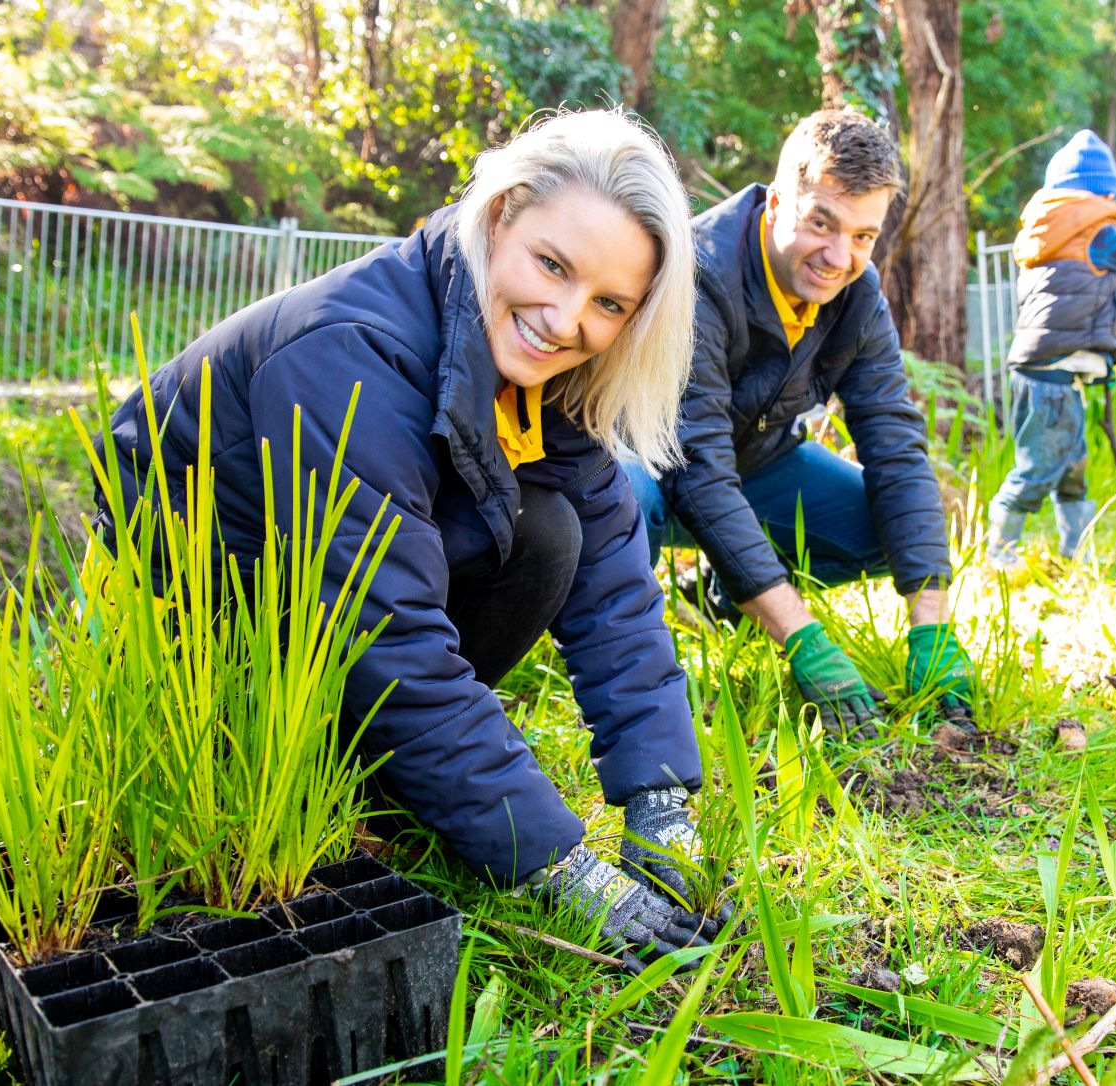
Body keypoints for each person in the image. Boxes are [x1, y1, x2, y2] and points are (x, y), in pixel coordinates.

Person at [97, 110, 721, 971]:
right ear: (500, 217)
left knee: (551, 533)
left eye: (608, 303)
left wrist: (658, 798)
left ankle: (390, 791)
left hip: (308, 592)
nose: (564, 318)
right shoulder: (354, 355)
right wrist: (557, 863)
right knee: (492, 560)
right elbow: (385, 635)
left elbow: (615, 582)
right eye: (552, 265)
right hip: (196, 622)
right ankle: (336, 780)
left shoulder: (536, 370)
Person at [621, 108, 974, 742]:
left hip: (757, 464)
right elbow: (694, 465)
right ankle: (628, 659)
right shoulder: (697, 274)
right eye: (822, 222)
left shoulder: (858, 299)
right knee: (622, 500)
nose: (839, 256)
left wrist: (932, 620)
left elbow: (896, 445)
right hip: (644, 465)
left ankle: (719, 597)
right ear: (778, 202)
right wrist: (802, 635)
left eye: (863, 236)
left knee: (883, 531)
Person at [988, 130, 1116, 566]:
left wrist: (1099, 357)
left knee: (1072, 462)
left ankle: (1076, 552)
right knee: (1041, 464)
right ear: (1105, 192)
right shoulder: (1094, 230)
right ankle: (1000, 552)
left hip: (1050, 364)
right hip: (1051, 370)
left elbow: (1070, 304)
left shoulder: (1048, 230)